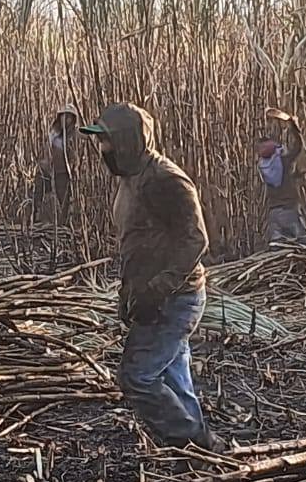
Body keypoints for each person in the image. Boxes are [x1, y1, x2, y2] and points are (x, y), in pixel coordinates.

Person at [80, 102, 218, 450]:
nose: (102, 149)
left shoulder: (165, 179)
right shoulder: (131, 178)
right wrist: (129, 293)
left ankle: (190, 438)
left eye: (107, 141)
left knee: (137, 376)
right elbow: (139, 242)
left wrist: (158, 288)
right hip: (154, 296)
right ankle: (199, 449)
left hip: (176, 298)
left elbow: (195, 239)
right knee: (173, 373)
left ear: (127, 140)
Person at [257, 107, 306, 246]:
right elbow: (298, 147)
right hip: (289, 210)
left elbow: (280, 181)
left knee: (277, 247)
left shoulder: (263, 166)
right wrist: (294, 126)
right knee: (303, 244)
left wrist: (296, 176)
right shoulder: (283, 161)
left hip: (274, 213)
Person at [30, 105, 79, 224]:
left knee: (64, 200)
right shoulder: (54, 134)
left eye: (68, 117)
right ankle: (37, 217)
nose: (65, 119)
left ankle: (65, 223)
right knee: (40, 192)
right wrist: (44, 165)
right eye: (63, 116)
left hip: (64, 173)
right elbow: (46, 151)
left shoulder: (74, 135)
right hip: (50, 171)